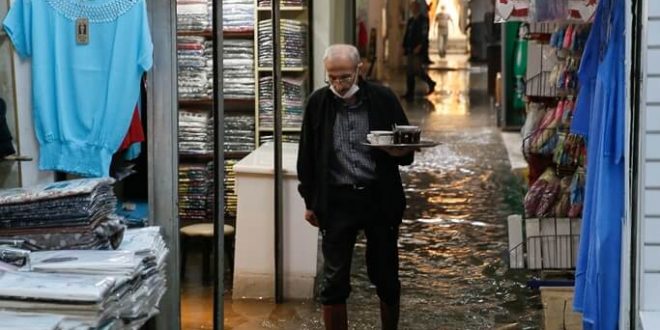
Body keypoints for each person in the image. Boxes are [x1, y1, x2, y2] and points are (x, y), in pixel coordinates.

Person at [297, 44, 415, 330]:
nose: (338, 84)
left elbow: (408, 149)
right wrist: (309, 201)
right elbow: (307, 156)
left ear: (359, 70)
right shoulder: (318, 104)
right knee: (334, 279)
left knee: (386, 274)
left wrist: (397, 152)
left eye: (345, 77)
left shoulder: (383, 99)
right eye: (332, 78)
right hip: (336, 200)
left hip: (377, 197)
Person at [401, 0, 436, 101]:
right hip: (410, 47)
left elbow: (424, 34)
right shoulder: (411, 21)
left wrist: (420, 46)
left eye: (415, 7)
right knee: (410, 71)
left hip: (418, 49)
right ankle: (410, 92)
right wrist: (404, 45)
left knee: (415, 69)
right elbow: (407, 34)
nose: (413, 9)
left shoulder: (423, 20)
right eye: (412, 7)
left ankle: (429, 83)